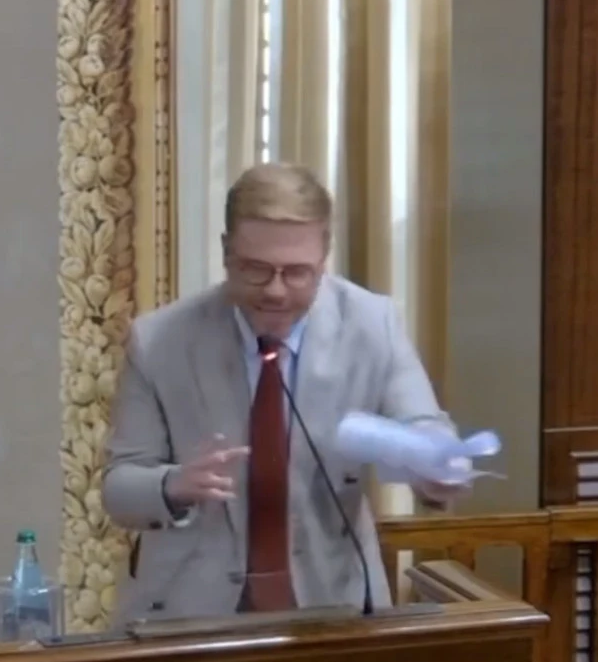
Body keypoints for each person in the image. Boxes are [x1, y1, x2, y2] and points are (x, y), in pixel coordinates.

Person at [100, 162, 464, 624]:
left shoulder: (373, 326)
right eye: (256, 269)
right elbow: (119, 488)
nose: (275, 291)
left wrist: (437, 464)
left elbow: (425, 427)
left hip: (332, 608)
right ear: (226, 252)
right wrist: (174, 485)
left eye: (297, 273)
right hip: (188, 612)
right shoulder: (160, 341)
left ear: (324, 257)